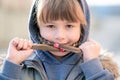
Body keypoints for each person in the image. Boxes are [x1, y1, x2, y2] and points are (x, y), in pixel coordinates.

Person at [0, 0, 119, 80]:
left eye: (69, 26)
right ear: (37, 28)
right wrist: (11, 65)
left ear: (82, 29)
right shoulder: (20, 65)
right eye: (51, 26)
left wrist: (93, 67)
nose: (60, 36)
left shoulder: (98, 67)